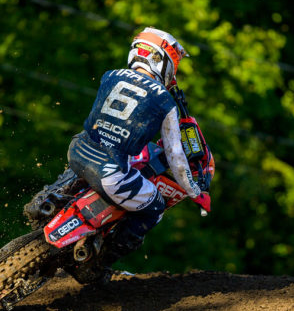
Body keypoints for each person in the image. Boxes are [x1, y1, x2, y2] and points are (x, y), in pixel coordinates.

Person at [67, 27, 202, 265]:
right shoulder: (165, 100)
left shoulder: (110, 75)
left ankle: (49, 199)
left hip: (76, 150)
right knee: (155, 207)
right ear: (162, 60)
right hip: (111, 174)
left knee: (92, 149)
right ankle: (98, 264)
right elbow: (175, 157)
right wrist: (194, 192)